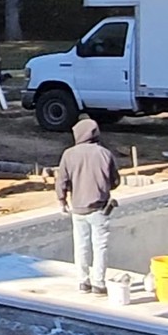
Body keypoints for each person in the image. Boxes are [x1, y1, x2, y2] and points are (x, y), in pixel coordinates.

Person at [55, 116, 120, 295]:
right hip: (100, 209)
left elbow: (61, 180)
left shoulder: (69, 154)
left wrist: (62, 201)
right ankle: (99, 284)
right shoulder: (104, 153)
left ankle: (83, 282)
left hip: (78, 209)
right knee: (100, 246)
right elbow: (115, 181)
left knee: (81, 245)